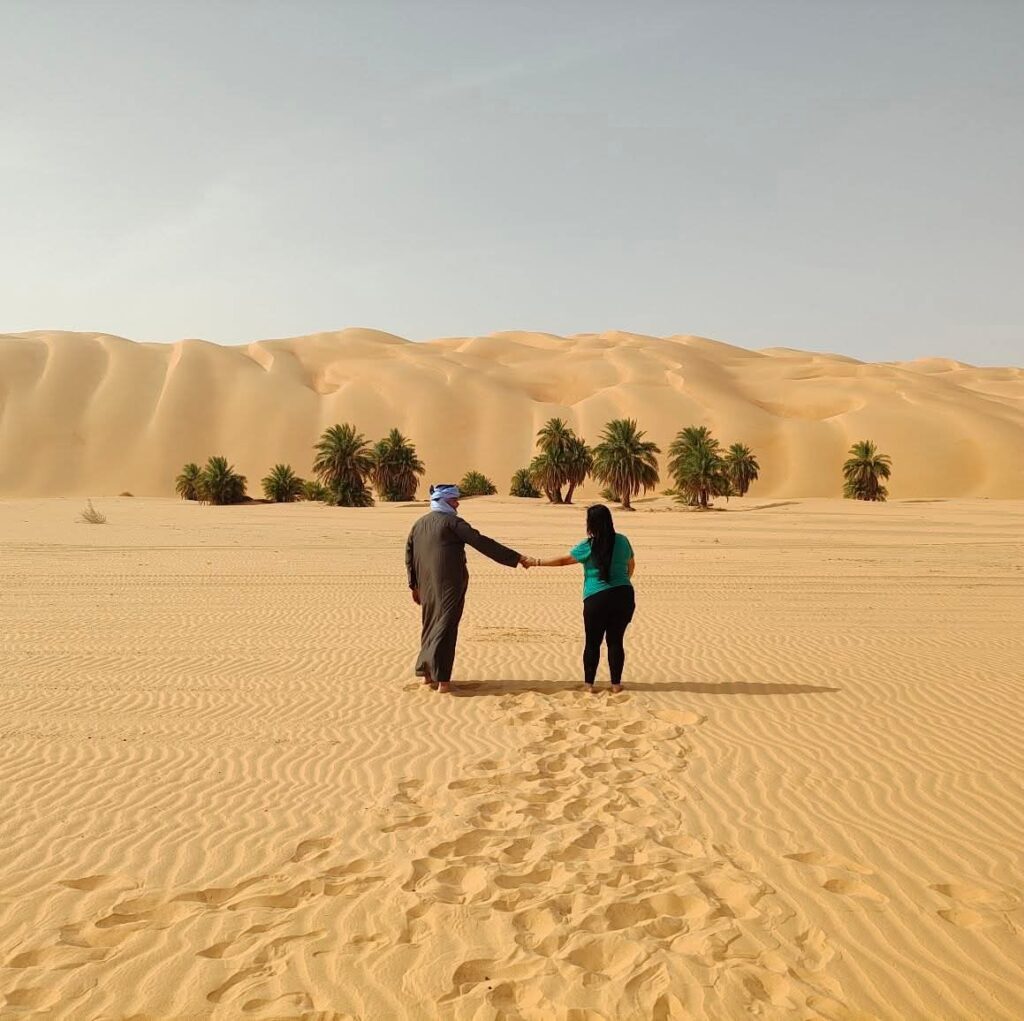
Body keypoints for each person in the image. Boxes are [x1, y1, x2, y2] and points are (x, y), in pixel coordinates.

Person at [406, 484, 529, 693]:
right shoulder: (452, 522)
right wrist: (516, 558)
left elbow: (409, 556)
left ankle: (426, 674)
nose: (457, 503)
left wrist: (414, 585)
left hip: (426, 585)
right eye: (454, 500)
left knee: (430, 625)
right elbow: (481, 542)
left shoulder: (418, 525)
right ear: (444, 501)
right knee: (446, 626)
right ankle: (443, 681)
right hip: (449, 585)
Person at [527, 504, 635, 691]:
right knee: (616, 641)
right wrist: (621, 582)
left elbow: (562, 561)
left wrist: (536, 562)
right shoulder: (623, 541)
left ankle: (589, 685)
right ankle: (616, 685)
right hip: (624, 595)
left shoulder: (588, 545)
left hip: (596, 598)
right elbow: (631, 565)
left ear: (591, 524)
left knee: (593, 642)